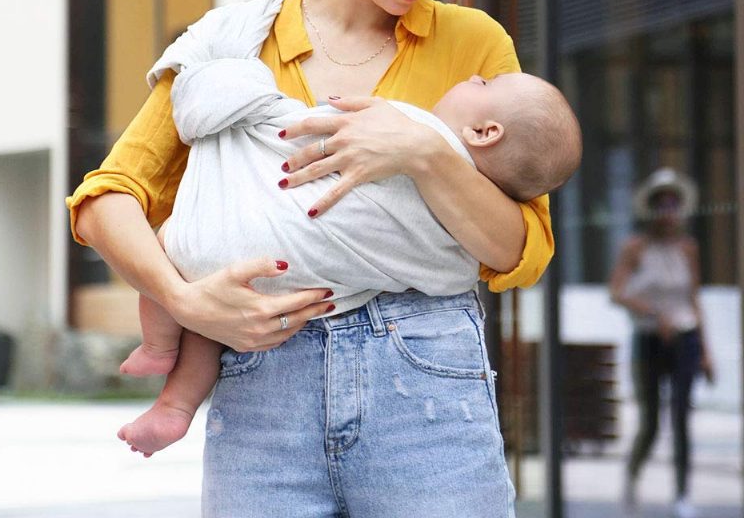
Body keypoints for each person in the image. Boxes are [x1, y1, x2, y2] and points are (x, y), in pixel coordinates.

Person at [67, 0, 556, 517]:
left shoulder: (473, 49)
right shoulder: (236, 44)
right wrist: (186, 301)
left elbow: (522, 250)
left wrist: (425, 150)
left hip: (423, 385)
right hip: (260, 390)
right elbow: (107, 196)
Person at [114, 37, 581, 456]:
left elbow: (527, 249)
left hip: (265, 268)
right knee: (213, 304)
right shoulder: (269, 25)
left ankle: (164, 361)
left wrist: (260, 102)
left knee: (176, 249)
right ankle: (174, 405)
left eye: (484, 83)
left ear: (484, 132)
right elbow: (107, 192)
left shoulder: (414, 124)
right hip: (306, 295)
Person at [609, 167, 715, 518]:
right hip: (650, 339)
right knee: (652, 422)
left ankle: (682, 494)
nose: (668, 212)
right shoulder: (636, 247)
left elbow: (694, 298)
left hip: (684, 339)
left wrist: (706, 350)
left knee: (682, 417)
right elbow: (618, 292)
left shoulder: (688, 249)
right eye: (662, 204)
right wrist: (654, 312)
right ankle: (632, 475)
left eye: (673, 204)